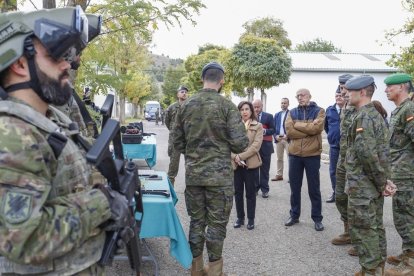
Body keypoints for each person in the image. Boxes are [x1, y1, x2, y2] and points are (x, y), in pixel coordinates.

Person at [0, 7, 131, 275]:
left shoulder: (52, 121)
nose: (67, 64)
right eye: (55, 55)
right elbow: (24, 239)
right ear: (19, 64)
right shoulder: (12, 134)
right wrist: (102, 205)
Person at [173, 62, 249, 276]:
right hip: (220, 179)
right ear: (222, 80)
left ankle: (195, 270)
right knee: (216, 225)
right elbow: (240, 144)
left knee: (197, 222)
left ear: (202, 79)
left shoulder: (186, 105)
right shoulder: (227, 106)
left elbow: (177, 143)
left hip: (195, 176)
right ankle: (214, 270)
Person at [344, 75, 390, 276]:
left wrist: (381, 182)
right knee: (375, 225)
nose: (346, 94)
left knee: (363, 229)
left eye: (350, 91)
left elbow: (367, 154)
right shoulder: (373, 114)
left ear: (362, 92)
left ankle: (371, 270)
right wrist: (383, 181)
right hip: (371, 184)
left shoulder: (364, 116)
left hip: (364, 185)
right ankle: (377, 267)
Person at [383, 73, 414, 276]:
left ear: (402, 87)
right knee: (402, 216)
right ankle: (408, 253)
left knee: (407, 217)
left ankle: (411, 264)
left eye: (389, 87)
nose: (386, 90)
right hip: (399, 171)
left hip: (407, 173)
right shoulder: (399, 110)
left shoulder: (409, 109)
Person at [284, 88, 325, 231]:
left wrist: (298, 125)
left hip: (312, 155)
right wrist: (307, 130)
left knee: (314, 188)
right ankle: (294, 215)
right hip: (295, 155)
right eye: (297, 96)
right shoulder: (292, 112)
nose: (300, 98)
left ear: (309, 96)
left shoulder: (319, 111)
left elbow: (317, 128)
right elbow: (289, 131)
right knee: (295, 188)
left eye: (302, 95)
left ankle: (317, 218)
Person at [331, 73, 357, 254]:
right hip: (342, 157)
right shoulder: (344, 106)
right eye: (341, 88)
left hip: (355, 161)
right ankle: (348, 231)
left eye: (345, 88)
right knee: (340, 196)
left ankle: (359, 237)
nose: (342, 91)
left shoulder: (360, 107)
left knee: (356, 200)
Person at [232, 101, 263, 231]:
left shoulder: (258, 126)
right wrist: (235, 157)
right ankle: (240, 217)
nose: (244, 112)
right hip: (236, 165)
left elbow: (256, 146)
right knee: (238, 192)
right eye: (242, 109)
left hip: (251, 165)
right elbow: (228, 144)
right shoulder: (233, 126)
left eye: (247, 109)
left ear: (251, 111)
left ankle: (251, 219)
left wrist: (241, 156)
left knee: (250, 193)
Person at [324, 86, 345, 203]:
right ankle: (335, 192)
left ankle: (345, 194)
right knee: (333, 171)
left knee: (346, 170)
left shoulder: (349, 109)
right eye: (336, 96)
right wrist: (332, 135)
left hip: (347, 146)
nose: (338, 97)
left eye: (341, 95)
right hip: (334, 146)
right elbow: (326, 126)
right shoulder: (330, 110)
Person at [165, 85, 188, 185]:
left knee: (191, 164)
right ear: (178, 94)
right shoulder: (172, 107)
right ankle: (170, 188)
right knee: (173, 164)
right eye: (182, 92)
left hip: (188, 138)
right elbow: (167, 121)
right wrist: (174, 130)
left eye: (186, 92)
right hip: (175, 139)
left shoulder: (190, 106)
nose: (184, 93)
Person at [252, 99, 275, 198]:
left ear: (262, 106)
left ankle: (265, 190)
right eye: (255, 107)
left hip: (266, 146)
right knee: (254, 168)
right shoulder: (249, 116)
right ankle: (255, 188)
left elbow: (273, 130)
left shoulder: (269, 116)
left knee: (265, 169)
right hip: (253, 146)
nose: (256, 109)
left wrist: (263, 131)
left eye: (258, 107)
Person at [271, 98, 290, 182]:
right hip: (279, 139)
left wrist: (288, 135)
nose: (283, 104)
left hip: (288, 139)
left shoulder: (291, 114)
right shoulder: (277, 114)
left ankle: (291, 176)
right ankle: (279, 175)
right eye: (282, 103)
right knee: (279, 158)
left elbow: (293, 127)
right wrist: (275, 136)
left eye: (285, 103)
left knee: (290, 158)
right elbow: (273, 127)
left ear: (288, 104)